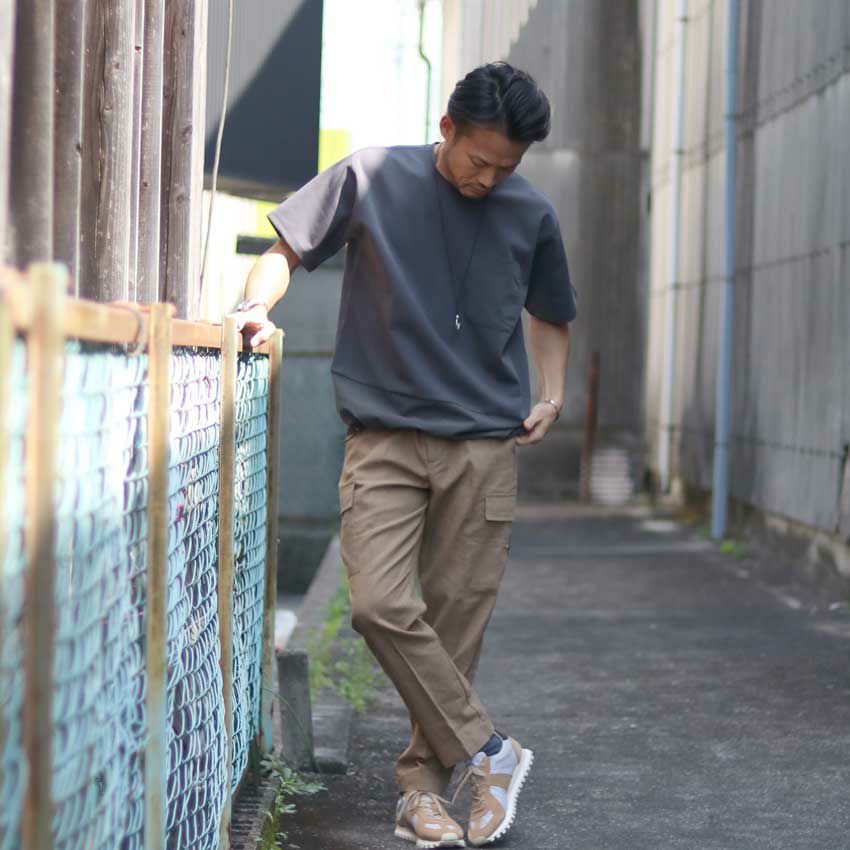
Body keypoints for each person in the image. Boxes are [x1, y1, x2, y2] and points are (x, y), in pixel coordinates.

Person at [236, 62, 576, 848]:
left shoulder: (530, 212)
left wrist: (552, 396)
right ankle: (491, 752)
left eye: (505, 168)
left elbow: (553, 312)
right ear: (447, 128)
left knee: (455, 629)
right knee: (379, 606)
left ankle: (422, 794)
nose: (487, 179)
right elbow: (286, 248)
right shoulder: (372, 176)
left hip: (484, 447)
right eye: (478, 160)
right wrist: (253, 304)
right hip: (384, 438)